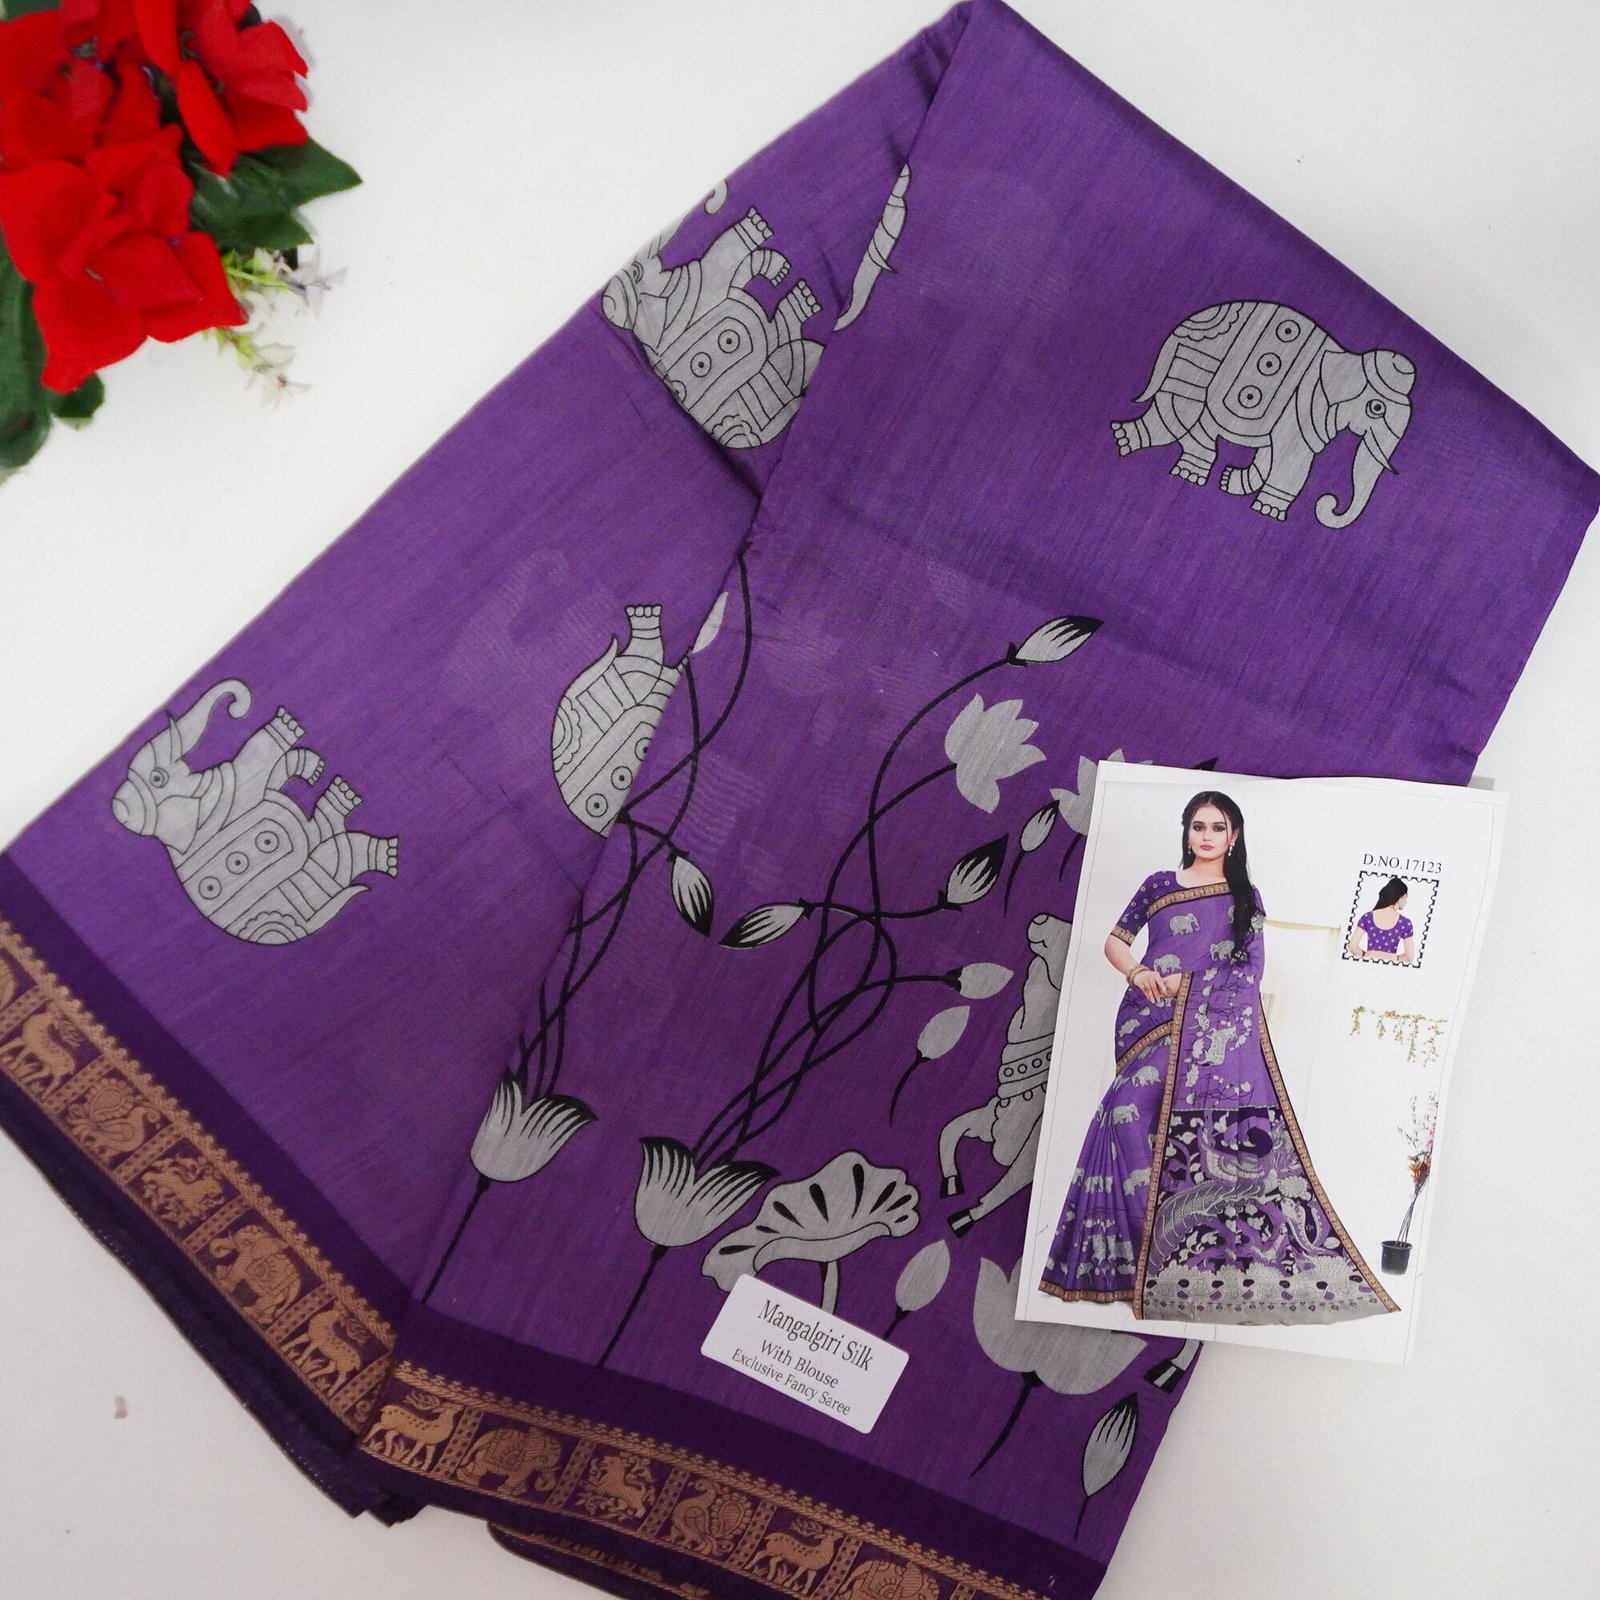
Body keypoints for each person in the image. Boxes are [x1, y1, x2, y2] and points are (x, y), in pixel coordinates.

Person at [1038, 791, 1397, 1324]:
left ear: (1234, 837)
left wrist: (1185, 984)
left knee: (1152, 1125)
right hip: (1145, 1016)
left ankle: (1160, 1259)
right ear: (1187, 832)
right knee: (1125, 1116)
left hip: (1204, 1025)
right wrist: (1137, 972)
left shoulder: (1244, 896)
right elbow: (1115, 942)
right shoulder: (1158, 884)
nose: (1206, 836)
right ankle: (1130, 1261)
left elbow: (1249, 972)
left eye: (1217, 827)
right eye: (1198, 826)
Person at [1347, 876, 1416, 964]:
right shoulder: (1405, 923)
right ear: (1400, 897)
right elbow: (1409, 957)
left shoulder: (1367, 917)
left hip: (1367, 964)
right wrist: (1393, 958)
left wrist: (1367, 955)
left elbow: (1352, 946)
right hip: (1389, 967)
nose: (1406, 902)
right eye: (1406, 898)